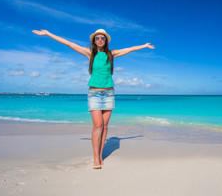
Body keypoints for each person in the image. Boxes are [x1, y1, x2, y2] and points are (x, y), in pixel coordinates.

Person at [32, 29, 155, 169]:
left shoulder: (111, 54)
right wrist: (48, 34)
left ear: (106, 40)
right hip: (94, 94)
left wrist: (144, 46)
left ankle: (100, 154)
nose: (100, 39)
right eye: (97, 38)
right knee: (97, 126)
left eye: (103, 37)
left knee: (105, 126)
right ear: (94, 41)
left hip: (109, 93)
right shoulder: (90, 53)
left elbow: (130, 49)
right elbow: (68, 43)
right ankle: (96, 157)